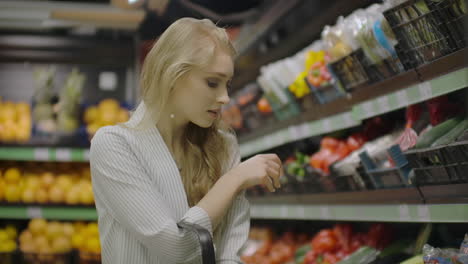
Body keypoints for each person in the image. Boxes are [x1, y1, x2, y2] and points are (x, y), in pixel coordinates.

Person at [90, 17, 283, 264]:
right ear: (173, 75)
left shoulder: (224, 146)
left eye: (227, 84)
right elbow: (175, 249)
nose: (225, 97)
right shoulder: (115, 146)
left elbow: (230, 254)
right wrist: (233, 179)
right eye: (212, 82)